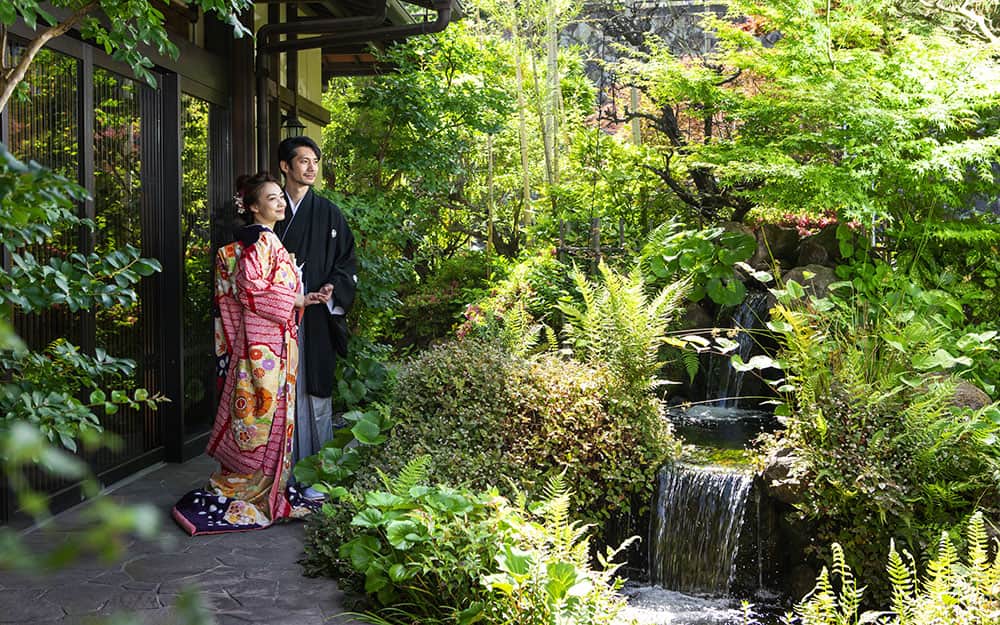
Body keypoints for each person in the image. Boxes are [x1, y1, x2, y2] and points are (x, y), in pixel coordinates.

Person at [172, 172, 330, 535]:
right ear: (254, 207)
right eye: (272, 198)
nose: (280, 202)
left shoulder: (262, 240)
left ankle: (253, 483)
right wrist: (290, 300)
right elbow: (249, 287)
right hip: (265, 344)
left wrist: (302, 299)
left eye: (280, 197)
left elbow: (263, 290)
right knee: (262, 413)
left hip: (266, 340)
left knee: (259, 413)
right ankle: (251, 488)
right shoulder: (261, 240)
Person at [273, 136, 358, 472]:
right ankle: (277, 472)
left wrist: (332, 287)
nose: (311, 168)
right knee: (274, 389)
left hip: (316, 315)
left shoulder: (328, 213)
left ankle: (317, 469)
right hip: (276, 317)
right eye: (304, 161)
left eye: (315, 162)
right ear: (285, 166)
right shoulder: (271, 210)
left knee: (314, 388)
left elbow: (347, 260)